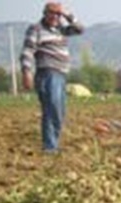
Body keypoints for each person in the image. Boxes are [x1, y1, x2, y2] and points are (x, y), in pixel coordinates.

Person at [20, 2, 85, 153]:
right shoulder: (36, 29)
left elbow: (80, 29)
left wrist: (67, 14)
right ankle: (50, 147)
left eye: (57, 14)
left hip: (61, 74)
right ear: (45, 13)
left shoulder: (61, 29)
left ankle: (52, 145)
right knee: (52, 108)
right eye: (51, 13)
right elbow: (27, 51)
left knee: (59, 111)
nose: (55, 16)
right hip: (47, 73)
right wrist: (26, 72)